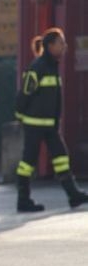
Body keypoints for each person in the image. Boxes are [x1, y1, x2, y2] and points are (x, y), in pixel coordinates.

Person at [14, 27, 88, 212]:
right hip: (34, 124)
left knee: (61, 158)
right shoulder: (37, 67)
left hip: (49, 126)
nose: (64, 46)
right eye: (60, 42)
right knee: (27, 163)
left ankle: (73, 195)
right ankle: (23, 200)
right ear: (50, 45)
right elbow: (24, 94)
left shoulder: (52, 66)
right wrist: (20, 117)